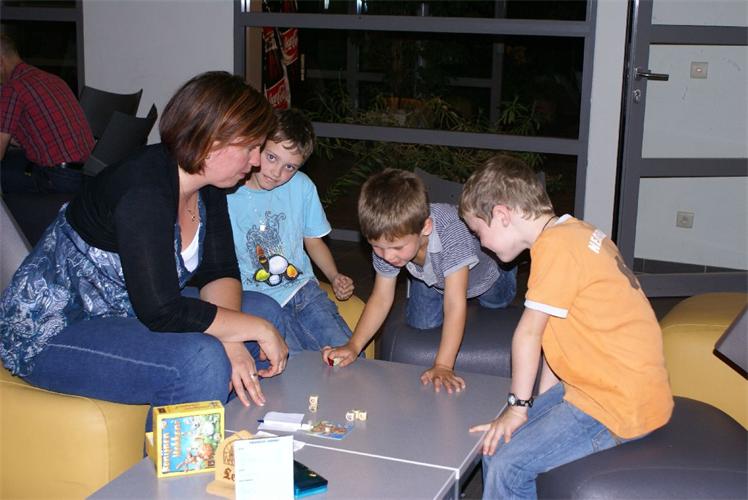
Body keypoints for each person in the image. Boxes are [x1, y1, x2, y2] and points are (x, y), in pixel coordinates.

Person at [0, 71, 289, 430]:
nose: (257, 161)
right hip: (56, 330)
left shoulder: (209, 185)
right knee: (201, 358)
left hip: (127, 308)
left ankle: (240, 437)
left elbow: (219, 270)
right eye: (251, 148)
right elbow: (162, 311)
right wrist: (243, 331)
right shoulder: (143, 189)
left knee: (265, 310)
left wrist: (234, 338)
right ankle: (178, 464)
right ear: (212, 141)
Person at [459, 155, 673, 499]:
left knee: (506, 465)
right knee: (499, 442)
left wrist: (518, 408)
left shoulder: (555, 247)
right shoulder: (575, 233)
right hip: (608, 384)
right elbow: (554, 334)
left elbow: (529, 334)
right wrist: (536, 408)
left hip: (616, 404)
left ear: (502, 215)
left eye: (477, 231)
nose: (480, 243)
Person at [323, 168, 517, 392]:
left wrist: (443, 365)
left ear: (425, 227)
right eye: (377, 247)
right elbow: (381, 298)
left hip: (485, 277)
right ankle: (431, 274)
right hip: (434, 275)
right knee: (421, 323)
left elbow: (455, 304)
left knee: (496, 302)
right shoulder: (388, 242)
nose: (387, 256)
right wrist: (354, 346)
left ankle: (507, 268)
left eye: (397, 248)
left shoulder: (451, 231)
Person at [227, 108, 354, 355]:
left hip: (303, 290)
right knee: (291, 361)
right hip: (257, 301)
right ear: (257, 146)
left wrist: (334, 275)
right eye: (271, 157)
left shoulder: (303, 187)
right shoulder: (229, 192)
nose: (277, 173)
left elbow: (313, 241)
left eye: (290, 167)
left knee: (346, 352)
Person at [0, 33, 94, 194]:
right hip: (87, 173)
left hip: (60, 179)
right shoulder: (51, 79)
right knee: (14, 158)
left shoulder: (13, 88)